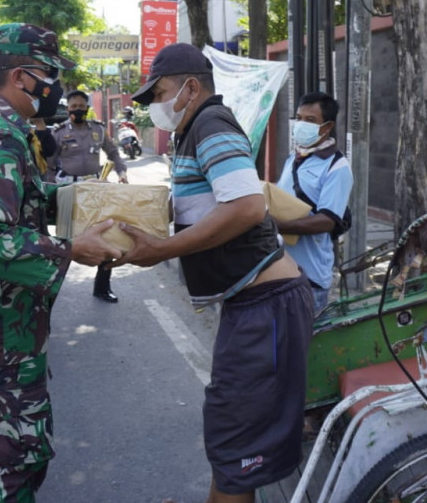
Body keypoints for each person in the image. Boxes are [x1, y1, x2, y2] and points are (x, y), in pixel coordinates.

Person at [119, 43, 315, 503]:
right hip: (250, 304)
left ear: (190, 87)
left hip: (266, 307)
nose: (154, 107)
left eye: (159, 93)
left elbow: (247, 207)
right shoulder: (193, 131)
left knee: (236, 442)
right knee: (232, 442)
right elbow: (202, 203)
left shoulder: (209, 123)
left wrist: (163, 249)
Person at [0, 23, 120, 502]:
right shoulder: (1, 134)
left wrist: (82, 197)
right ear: (20, 76)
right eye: (49, 74)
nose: (56, 87)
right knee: (16, 460)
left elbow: (15, 202)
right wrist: (72, 249)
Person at [274, 91, 353, 313]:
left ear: (326, 127)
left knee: (303, 346)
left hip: (309, 280)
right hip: (280, 271)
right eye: (299, 118)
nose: (301, 125)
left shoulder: (337, 167)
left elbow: (327, 221)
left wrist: (275, 225)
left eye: (310, 120)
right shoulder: (294, 158)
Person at [48, 89, 128, 303]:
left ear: (87, 108)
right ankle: (51, 289)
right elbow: (48, 165)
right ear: (68, 109)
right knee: (65, 239)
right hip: (67, 190)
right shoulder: (58, 132)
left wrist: (121, 172)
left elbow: (113, 154)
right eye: (73, 107)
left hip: (95, 190)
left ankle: (102, 287)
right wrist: (48, 191)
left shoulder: (99, 130)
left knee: (105, 235)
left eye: (81, 107)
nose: (77, 110)